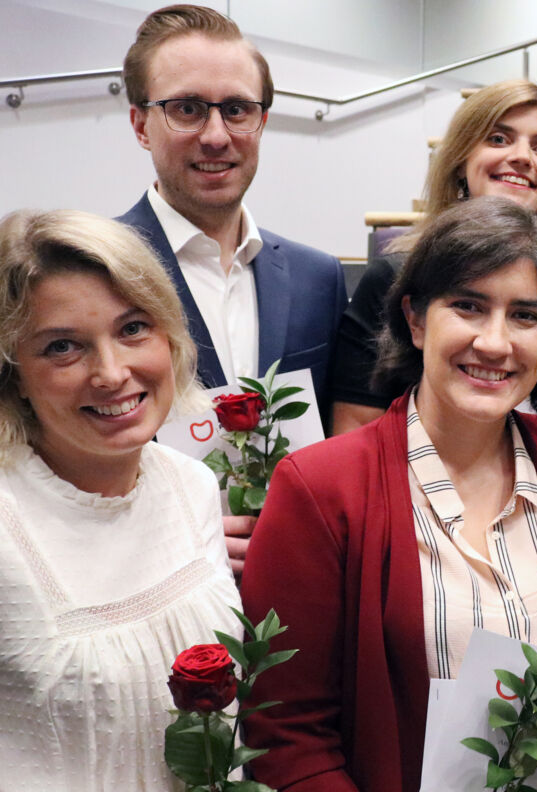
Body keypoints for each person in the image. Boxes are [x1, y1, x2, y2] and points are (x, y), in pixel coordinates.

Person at [240, 198, 537, 791]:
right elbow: (285, 735)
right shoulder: (320, 488)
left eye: (525, 315)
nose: (495, 343)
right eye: (468, 306)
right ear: (415, 320)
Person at [0, 209, 240, 789]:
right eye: (63, 347)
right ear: (13, 375)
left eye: (133, 328)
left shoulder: (192, 486)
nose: (112, 373)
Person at [118, 3, 347, 572]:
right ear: (141, 124)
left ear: (262, 121)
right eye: (187, 109)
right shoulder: (91, 276)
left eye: (238, 109)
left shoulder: (319, 277)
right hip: (149, 585)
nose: (217, 135)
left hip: (299, 581)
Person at [331, 79, 537, 435]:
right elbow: (355, 426)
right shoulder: (393, 276)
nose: (523, 157)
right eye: (498, 139)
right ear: (461, 159)